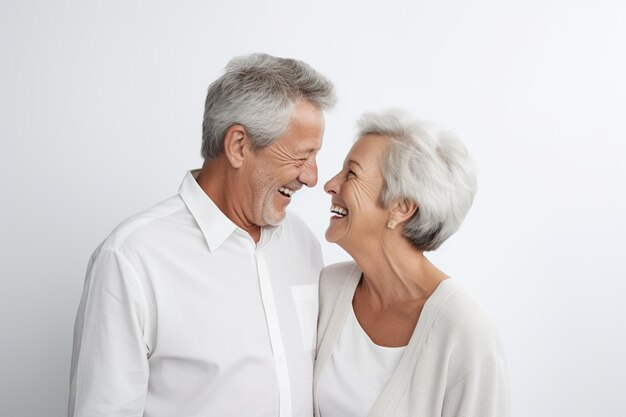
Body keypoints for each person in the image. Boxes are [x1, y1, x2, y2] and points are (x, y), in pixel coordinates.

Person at [69, 53, 336, 417]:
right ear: (239, 145)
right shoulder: (131, 257)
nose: (312, 177)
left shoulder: (303, 242)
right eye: (302, 156)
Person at [313, 109, 509, 417]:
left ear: (402, 207)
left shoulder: (465, 328)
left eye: (351, 173)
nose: (329, 185)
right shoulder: (330, 288)